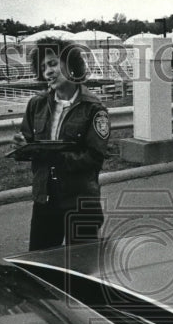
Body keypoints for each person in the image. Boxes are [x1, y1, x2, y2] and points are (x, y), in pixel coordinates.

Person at [11, 38, 111, 251]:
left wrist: (52, 157)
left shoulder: (94, 109)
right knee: (40, 265)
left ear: (71, 65)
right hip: (45, 201)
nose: (48, 71)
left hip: (81, 203)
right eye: (44, 67)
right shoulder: (36, 104)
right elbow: (28, 141)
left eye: (53, 64)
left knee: (83, 268)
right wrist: (22, 146)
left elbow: (93, 158)